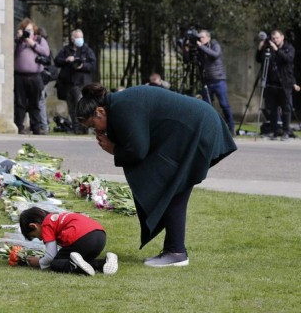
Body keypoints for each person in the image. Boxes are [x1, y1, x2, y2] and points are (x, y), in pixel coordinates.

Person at [76, 84, 237, 267]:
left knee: (172, 187)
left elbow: (138, 150)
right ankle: (174, 250)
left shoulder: (121, 108)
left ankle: (176, 252)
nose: (96, 131)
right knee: (172, 188)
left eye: (92, 125)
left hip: (199, 128)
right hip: (197, 126)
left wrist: (114, 149)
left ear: (100, 111)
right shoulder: (119, 105)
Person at [19, 206, 118, 276]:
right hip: (100, 237)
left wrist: (39, 262)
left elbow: (50, 256)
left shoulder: (46, 224)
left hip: (81, 239)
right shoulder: (57, 217)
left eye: (34, 235)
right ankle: (104, 262)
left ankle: (73, 264)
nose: (40, 239)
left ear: (33, 226)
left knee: (55, 263)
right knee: (81, 260)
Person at [183, 29, 235, 135]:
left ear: (208, 38)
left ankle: (231, 128)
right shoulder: (199, 48)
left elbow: (215, 55)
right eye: (199, 37)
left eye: (202, 37)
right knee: (207, 106)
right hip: (206, 81)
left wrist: (200, 46)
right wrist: (186, 50)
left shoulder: (215, 45)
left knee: (224, 104)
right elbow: (188, 60)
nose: (200, 39)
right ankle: (210, 128)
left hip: (218, 79)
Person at [255, 29, 296, 140]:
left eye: (277, 38)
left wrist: (277, 49)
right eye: (273, 38)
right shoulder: (269, 48)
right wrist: (260, 49)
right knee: (272, 109)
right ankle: (273, 131)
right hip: (271, 83)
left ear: (282, 37)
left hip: (284, 83)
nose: (275, 40)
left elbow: (288, 59)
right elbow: (260, 60)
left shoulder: (289, 48)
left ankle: (286, 131)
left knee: (286, 109)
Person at [54, 29, 97, 134]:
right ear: (72, 39)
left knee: (81, 106)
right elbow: (56, 61)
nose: (79, 39)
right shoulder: (66, 50)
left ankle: (84, 128)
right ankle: (75, 128)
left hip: (82, 83)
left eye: (80, 37)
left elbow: (93, 65)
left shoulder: (87, 50)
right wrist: (66, 60)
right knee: (71, 108)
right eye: (77, 37)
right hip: (68, 84)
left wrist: (83, 65)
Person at [14, 18, 50, 135]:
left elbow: (46, 52)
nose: (28, 32)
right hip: (20, 76)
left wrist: (32, 44)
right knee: (20, 103)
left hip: (35, 76)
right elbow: (12, 51)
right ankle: (19, 126)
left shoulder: (39, 40)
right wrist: (19, 39)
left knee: (35, 103)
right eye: (25, 30)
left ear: (34, 30)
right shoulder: (19, 42)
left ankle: (36, 127)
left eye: (30, 30)